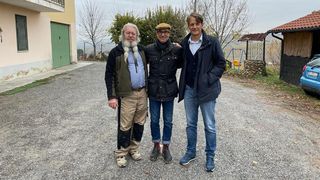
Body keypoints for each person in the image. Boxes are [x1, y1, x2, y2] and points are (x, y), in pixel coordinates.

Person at [178, 12, 226, 172]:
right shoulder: (184, 43)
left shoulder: (212, 42)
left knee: (209, 126)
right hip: (190, 90)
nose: (194, 27)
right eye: (191, 24)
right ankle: (191, 152)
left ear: (201, 25)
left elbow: (221, 63)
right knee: (191, 124)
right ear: (188, 26)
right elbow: (180, 62)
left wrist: (208, 78)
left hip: (207, 91)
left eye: (197, 24)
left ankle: (210, 156)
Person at [105, 23, 148, 168]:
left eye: (133, 33)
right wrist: (111, 96)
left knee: (139, 123)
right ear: (123, 34)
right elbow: (109, 75)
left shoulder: (142, 50)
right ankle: (121, 153)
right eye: (128, 33)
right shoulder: (115, 52)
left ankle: (134, 149)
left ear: (137, 35)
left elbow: (159, 51)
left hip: (142, 93)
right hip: (126, 95)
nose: (130, 35)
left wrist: (175, 46)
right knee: (125, 125)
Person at [145, 23, 182, 164]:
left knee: (168, 121)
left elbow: (184, 64)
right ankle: (156, 145)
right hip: (154, 91)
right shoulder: (148, 50)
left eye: (166, 32)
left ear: (169, 34)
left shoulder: (177, 50)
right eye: (160, 32)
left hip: (169, 90)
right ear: (156, 34)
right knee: (154, 121)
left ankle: (166, 146)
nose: (163, 35)